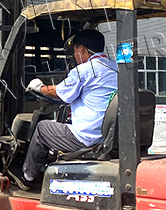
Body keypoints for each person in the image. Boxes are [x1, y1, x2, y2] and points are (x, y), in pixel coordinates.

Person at [10, 29, 117, 190]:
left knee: (43, 128)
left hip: (87, 137)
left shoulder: (84, 70)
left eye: (74, 51)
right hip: (108, 135)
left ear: (82, 49)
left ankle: (28, 176)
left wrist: (39, 87)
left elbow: (59, 92)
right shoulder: (116, 68)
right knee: (60, 124)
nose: (74, 56)